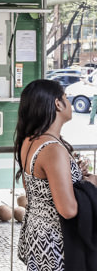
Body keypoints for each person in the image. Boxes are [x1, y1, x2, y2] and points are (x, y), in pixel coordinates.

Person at [14, 79, 97, 269]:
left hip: (37, 235)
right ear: (57, 104)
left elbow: (37, 189)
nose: (69, 103)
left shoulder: (30, 140)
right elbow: (68, 210)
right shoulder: (52, 149)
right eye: (66, 98)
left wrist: (72, 175)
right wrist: (90, 184)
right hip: (56, 242)